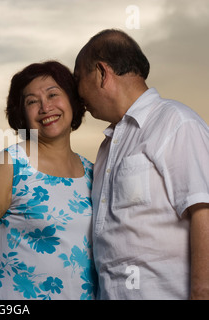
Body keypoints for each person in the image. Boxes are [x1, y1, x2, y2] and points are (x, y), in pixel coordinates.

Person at [74, 29, 209, 299]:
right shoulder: (106, 149)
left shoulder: (177, 123)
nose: (77, 94)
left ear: (102, 72)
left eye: (78, 79)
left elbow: (204, 211)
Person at [0, 61, 97, 300]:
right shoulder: (11, 165)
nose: (45, 107)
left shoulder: (94, 172)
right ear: (21, 114)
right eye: (32, 101)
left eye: (53, 95)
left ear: (72, 100)